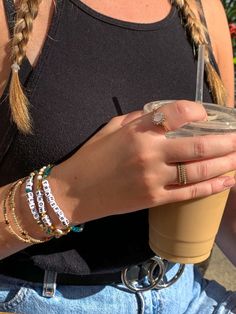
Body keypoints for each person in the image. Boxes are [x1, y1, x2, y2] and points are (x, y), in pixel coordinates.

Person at [0, 0, 235, 313]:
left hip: (186, 293)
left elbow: (225, 194)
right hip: (40, 299)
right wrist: (69, 193)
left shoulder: (203, 8)